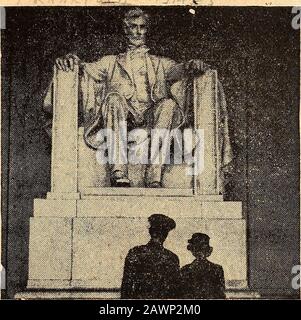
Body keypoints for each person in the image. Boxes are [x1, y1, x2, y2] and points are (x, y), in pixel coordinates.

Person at [54, 8, 208, 188]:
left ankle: (154, 176)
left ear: (147, 30)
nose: (137, 32)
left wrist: (191, 65)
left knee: (168, 104)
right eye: (133, 27)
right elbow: (87, 69)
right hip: (122, 114)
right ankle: (118, 171)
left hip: (152, 116)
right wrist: (72, 60)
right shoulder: (111, 61)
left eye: (142, 27)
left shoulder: (161, 63)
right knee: (112, 98)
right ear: (126, 30)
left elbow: (179, 70)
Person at [120, 214, 181, 299]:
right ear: (165, 235)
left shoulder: (135, 252)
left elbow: (126, 288)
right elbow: (175, 292)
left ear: (150, 231)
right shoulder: (172, 258)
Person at [180, 233, 226, 299]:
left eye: (202, 249)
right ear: (192, 250)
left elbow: (220, 294)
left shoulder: (217, 269)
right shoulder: (185, 270)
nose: (200, 252)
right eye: (197, 249)